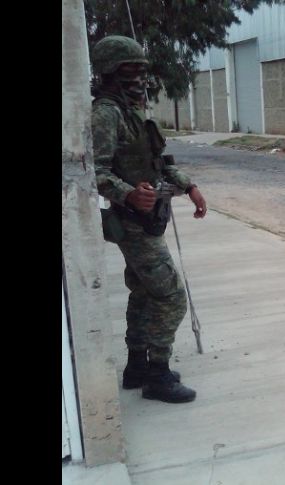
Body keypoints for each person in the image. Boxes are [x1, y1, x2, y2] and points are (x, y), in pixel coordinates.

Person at [91, 35, 207, 403]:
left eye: (143, 71)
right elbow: (93, 171)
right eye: (131, 71)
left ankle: (136, 366)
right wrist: (126, 193)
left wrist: (188, 187)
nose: (140, 79)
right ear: (111, 73)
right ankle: (157, 373)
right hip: (132, 222)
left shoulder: (134, 111)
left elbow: (157, 161)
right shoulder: (107, 114)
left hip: (149, 217)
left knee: (143, 293)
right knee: (171, 295)